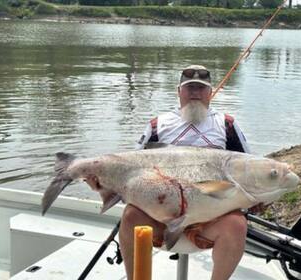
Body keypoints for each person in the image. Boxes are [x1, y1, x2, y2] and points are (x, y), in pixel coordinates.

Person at [90, 65, 251, 280]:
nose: (195, 93)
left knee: (237, 224)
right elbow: (131, 169)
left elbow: (247, 170)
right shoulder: (158, 125)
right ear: (179, 91)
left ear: (210, 93)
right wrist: (105, 186)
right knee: (130, 216)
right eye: (189, 88)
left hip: (211, 221)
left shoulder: (227, 125)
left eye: (201, 89)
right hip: (159, 218)